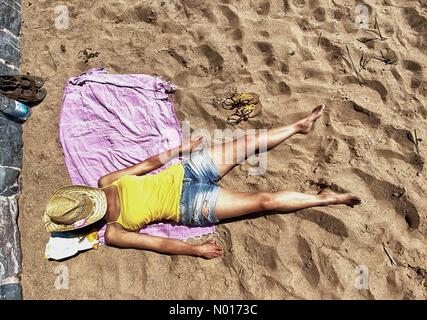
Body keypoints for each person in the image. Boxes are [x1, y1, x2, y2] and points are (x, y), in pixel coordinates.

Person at [44, 105, 361, 259]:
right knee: (264, 201)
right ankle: (325, 198)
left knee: (247, 142)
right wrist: (196, 250)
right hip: (191, 205)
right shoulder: (114, 233)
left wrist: (180, 149)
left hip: (185, 171)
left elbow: (147, 164)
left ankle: (298, 126)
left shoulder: (106, 180)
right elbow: (159, 243)